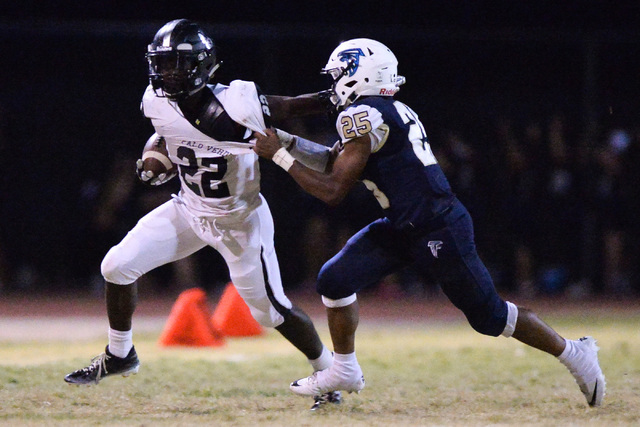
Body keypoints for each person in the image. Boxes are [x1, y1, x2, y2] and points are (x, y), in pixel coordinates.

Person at [253, 38, 606, 407]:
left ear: (360, 75)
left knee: (490, 316)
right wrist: (289, 143)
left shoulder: (361, 115)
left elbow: (332, 191)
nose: (334, 82)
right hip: (403, 224)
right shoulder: (384, 110)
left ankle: (574, 353)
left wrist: (277, 155)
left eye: (340, 73)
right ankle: (344, 369)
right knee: (334, 278)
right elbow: (335, 164)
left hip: (437, 226)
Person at [64, 19, 339, 407]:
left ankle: (329, 373)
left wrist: (334, 97)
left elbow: (287, 106)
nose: (167, 73)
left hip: (239, 219)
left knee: (270, 311)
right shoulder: (155, 99)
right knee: (116, 266)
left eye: (177, 64)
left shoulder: (238, 103)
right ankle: (120, 354)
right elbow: (163, 131)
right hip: (189, 209)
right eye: (161, 64)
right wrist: (153, 156)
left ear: (201, 66)